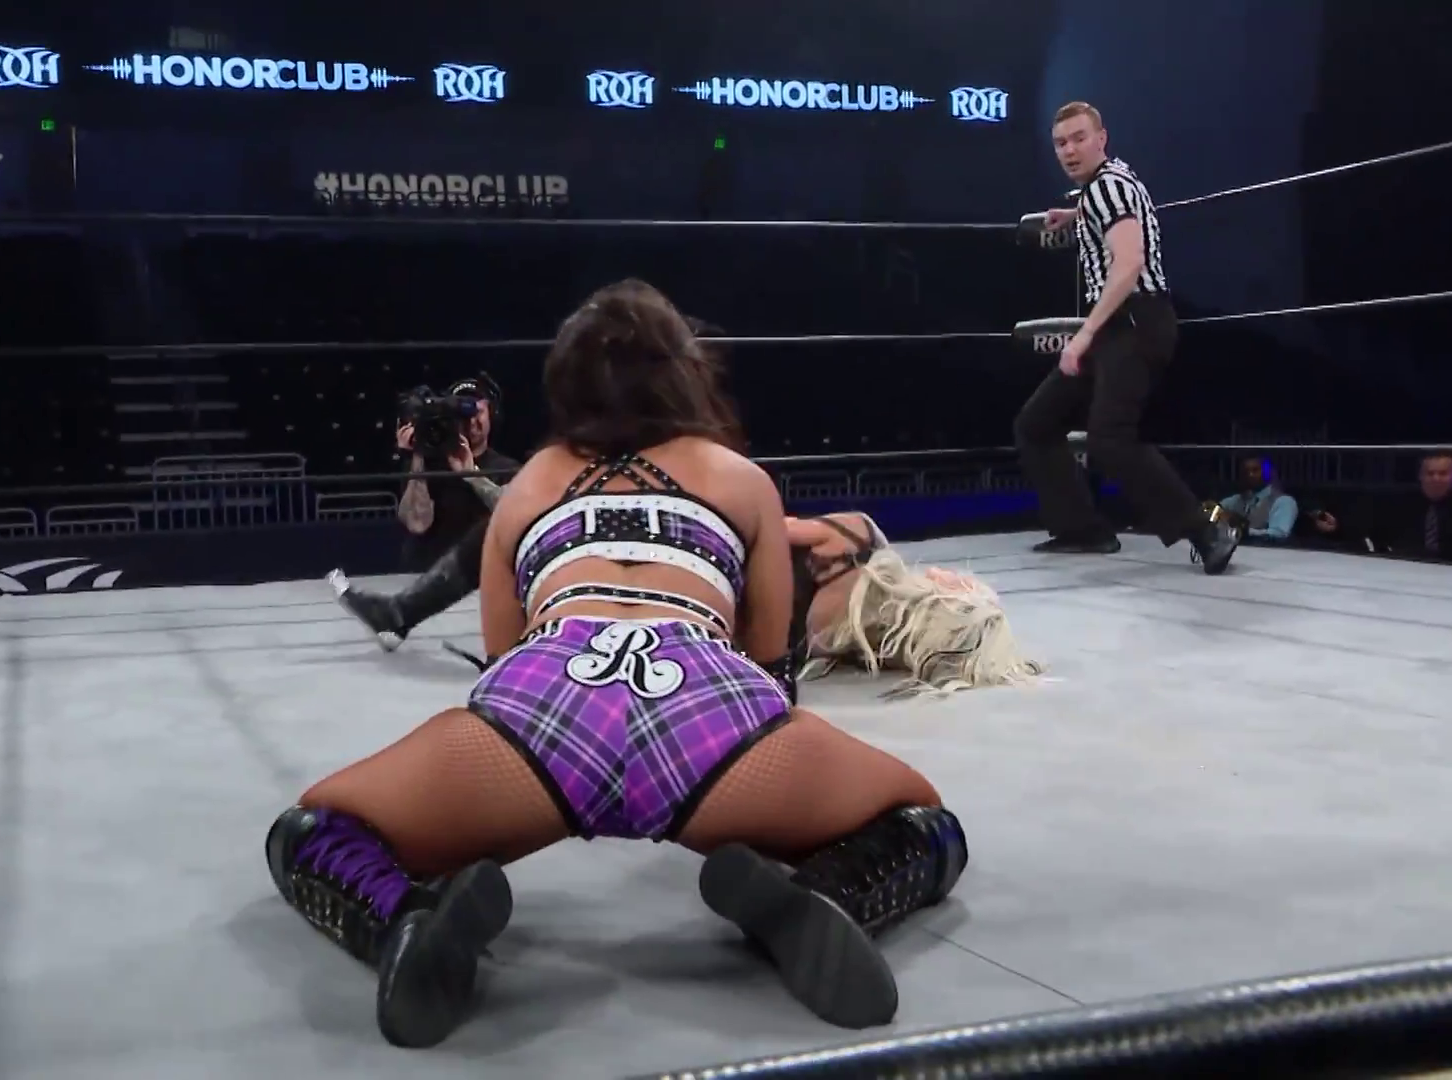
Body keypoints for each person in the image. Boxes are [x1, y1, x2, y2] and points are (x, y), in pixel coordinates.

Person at [267, 280, 965, 1048]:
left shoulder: (526, 486)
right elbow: (772, 665)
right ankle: (830, 894)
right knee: (922, 821)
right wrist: (771, 788)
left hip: (547, 702)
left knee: (314, 831)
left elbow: (502, 662)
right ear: (685, 371)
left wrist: (497, 787)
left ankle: (400, 922)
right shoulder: (741, 479)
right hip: (707, 708)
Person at [328, 320, 729, 652]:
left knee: (512, 521)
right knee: (504, 524)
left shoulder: (704, 459)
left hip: (656, 564)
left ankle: (414, 616)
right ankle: (406, 614)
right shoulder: (591, 450)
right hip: (615, 552)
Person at [1015, 101, 1237, 574]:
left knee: (1109, 439)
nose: (1069, 150)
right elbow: (1114, 210)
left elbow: (1129, 262)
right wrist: (1075, 214)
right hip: (1120, 325)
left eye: (1079, 138)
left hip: (1134, 322)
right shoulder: (1107, 184)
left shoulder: (1106, 188)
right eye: (1060, 143)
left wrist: (1083, 335)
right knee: (1036, 423)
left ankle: (1207, 530)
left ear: (1101, 139)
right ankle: (1082, 529)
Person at [330, 378, 518, 648]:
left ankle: (396, 615)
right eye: (464, 413)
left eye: (478, 411)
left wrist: (471, 475)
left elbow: (515, 516)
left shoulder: (507, 467)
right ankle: (397, 615)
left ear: (492, 415)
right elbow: (416, 523)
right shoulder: (428, 464)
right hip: (423, 574)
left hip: (477, 587)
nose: (472, 420)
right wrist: (418, 455)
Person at [784, 514, 1043, 695]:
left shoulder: (857, 538)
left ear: (945, 595)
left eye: (963, 580)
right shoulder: (853, 647)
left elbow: (765, 524)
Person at [1312, 451, 1450, 560]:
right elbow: (1366, 530)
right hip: (1404, 568)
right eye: (1430, 473)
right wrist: (1336, 529)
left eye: (1443, 473)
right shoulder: (1401, 504)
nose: (1436, 478)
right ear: (1420, 476)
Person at [1216, 457, 1299, 544]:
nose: (1250, 475)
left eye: (1255, 470)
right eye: (1245, 472)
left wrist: (1246, 531)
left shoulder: (1283, 502)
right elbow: (1214, 512)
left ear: (1267, 472)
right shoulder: (1234, 501)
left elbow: (1279, 534)